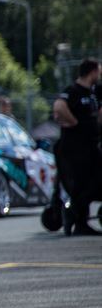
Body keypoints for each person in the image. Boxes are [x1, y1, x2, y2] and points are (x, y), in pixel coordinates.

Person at [52, 59, 101, 236]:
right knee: (80, 185)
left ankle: (78, 218)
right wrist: (74, 122)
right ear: (92, 72)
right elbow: (59, 107)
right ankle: (77, 221)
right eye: (98, 71)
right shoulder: (73, 91)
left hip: (91, 146)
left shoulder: (94, 93)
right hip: (75, 148)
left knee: (94, 182)